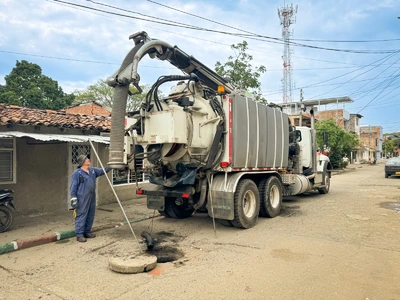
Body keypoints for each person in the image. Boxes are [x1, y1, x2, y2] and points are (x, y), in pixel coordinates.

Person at [70, 155, 111, 243]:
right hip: (82, 197)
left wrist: (112, 165)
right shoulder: (77, 173)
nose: (88, 159)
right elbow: (73, 186)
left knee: (90, 214)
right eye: (86, 159)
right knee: (81, 214)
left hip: (92, 196)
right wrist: (73, 197)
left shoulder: (92, 170)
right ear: (82, 162)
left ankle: (87, 232)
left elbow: (103, 170)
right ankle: (79, 235)